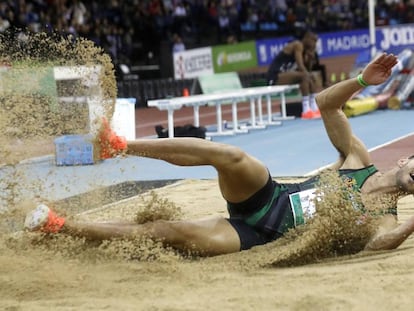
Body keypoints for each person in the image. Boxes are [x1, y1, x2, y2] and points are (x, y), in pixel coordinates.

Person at [25, 53, 414, 257]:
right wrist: (362, 80)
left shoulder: (385, 219)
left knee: (166, 234)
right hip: (269, 196)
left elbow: (380, 244)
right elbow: (326, 104)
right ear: (404, 159)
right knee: (230, 155)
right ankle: (120, 146)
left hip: (257, 236)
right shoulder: (359, 161)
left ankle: (60, 225)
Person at [266, 30, 320, 119]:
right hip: (274, 76)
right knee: (305, 76)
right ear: (306, 38)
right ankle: (306, 110)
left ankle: (314, 107)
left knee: (310, 76)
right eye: (313, 40)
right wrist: (308, 74)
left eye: (316, 41)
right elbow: (300, 65)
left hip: (285, 76)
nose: (315, 43)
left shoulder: (305, 51)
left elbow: (307, 69)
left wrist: (310, 58)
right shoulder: (297, 45)